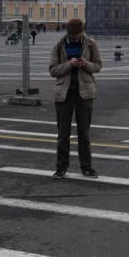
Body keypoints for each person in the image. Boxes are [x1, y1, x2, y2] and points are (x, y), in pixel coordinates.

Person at [49, 18, 101, 179]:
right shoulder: (59, 45)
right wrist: (69, 64)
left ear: (82, 32)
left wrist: (85, 64)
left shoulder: (91, 44)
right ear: (68, 33)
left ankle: (86, 166)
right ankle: (61, 167)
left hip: (84, 93)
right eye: (73, 37)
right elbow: (53, 70)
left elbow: (98, 66)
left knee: (83, 132)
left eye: (78, 37)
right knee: (63, 133)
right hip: (64, 93)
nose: (76, 39)